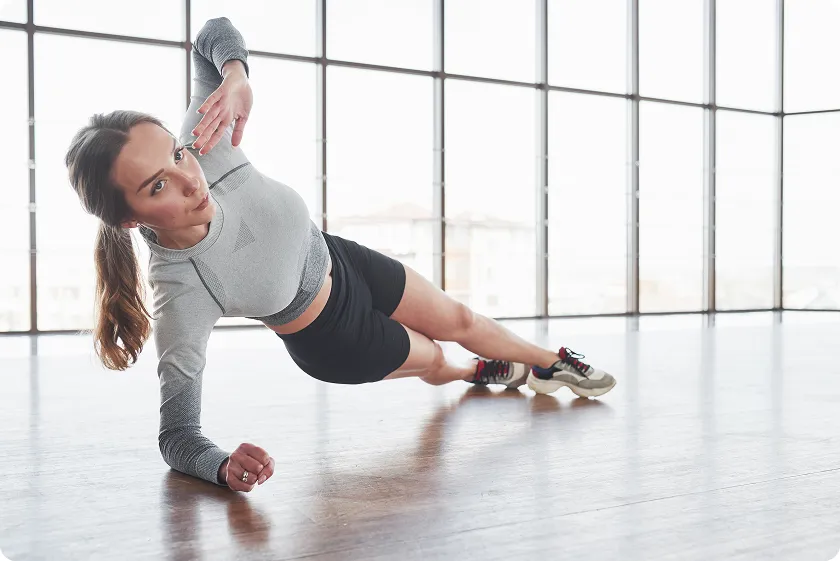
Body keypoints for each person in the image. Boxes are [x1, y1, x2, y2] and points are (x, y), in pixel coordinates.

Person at [65, 17, 616, 493]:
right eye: (158, 186)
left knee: (460, 317)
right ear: (130, 219)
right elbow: (177, 436)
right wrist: (221, 466)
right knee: (436, 358)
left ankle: (550, 365)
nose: (189, 179)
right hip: (334, 338)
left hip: (344, 259)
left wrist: (235, 74)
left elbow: (211, 33)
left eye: (177, 154)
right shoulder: (182, 289)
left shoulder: (206, 142)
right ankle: (476, 371)